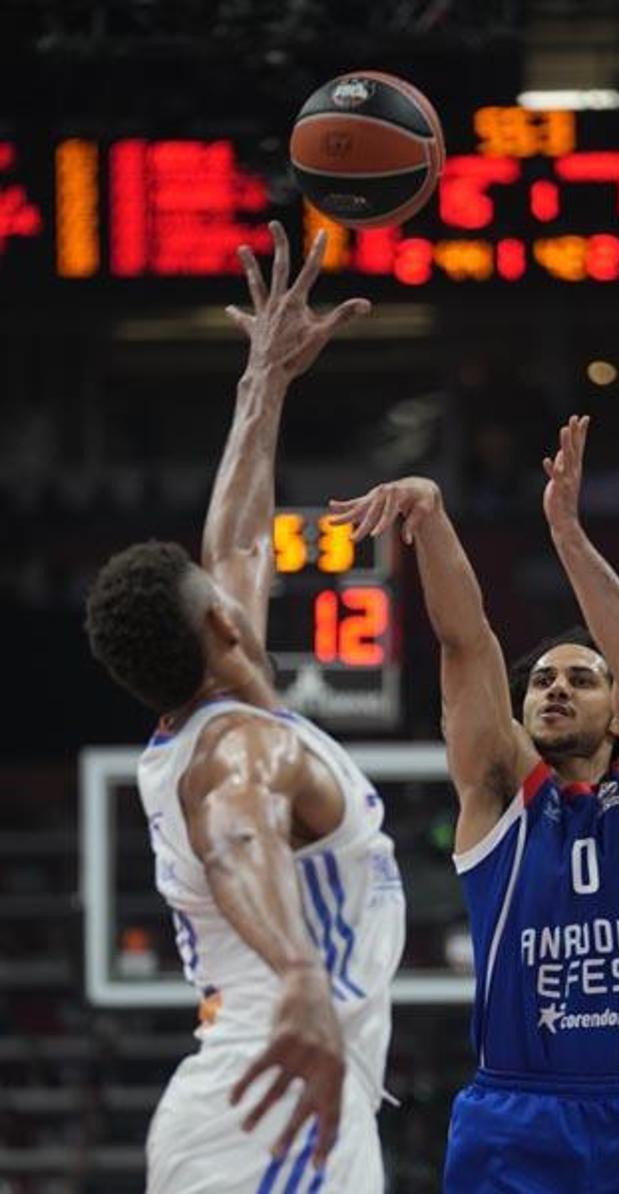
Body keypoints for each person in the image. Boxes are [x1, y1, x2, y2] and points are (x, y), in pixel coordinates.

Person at [84, 223, 405, 1193]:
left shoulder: (216, 706)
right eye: (222, 593)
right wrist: (299, 971)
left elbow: (236, 540)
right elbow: (237, 837)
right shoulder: (236, 749)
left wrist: (262, 381)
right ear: (223, 625)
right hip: (274, 1103)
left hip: (280, 1094)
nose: (235, 579)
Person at [330, 415, 619, 1192]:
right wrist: (431, 516)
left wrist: (568, 535)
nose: (555, 688)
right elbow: (467, 644)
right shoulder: (500, 798)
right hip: (514, 1112)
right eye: (541, 681)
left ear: (617, 716)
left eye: (580, 679)